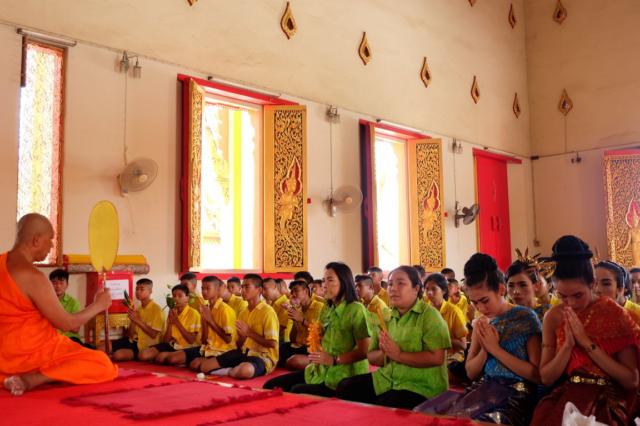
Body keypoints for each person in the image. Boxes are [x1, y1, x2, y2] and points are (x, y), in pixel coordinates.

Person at [417, 253, 542, 425]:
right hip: (484, 389)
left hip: (515, 395)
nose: (481, 308)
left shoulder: (525, 317)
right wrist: (484, 349)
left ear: (501, 290)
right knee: (424, 415)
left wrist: (495, 349)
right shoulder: (481, 323)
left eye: (485, 300)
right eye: (475, 303)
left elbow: (536, 375)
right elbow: (471, 372)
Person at [1, 213, 117, 396]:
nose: (51, 246)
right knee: (103, 363)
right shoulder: (34, 277)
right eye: (50, 240)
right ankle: (34, 378)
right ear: (36, 240)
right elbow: (67, 324)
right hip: (34, 354)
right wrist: (98, 305)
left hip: (4, 358)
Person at [531, 236, 640, 426]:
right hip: (569, 394)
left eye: (578, 295)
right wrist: (567, 346)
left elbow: (631, 380)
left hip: (607, 399)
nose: (571, 303)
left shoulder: (614, 314)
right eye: (562, 296)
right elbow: (546, 378)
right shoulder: (553, 317)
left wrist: (586, 343)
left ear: (593, 284)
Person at [336, 266, 451, 409]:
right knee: (344, 387)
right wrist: (385, 353)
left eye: (400, 283)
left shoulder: (430, 316)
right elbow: (371, 356)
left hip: (419, 386)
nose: (393, 289)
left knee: (385, 408)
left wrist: (399, 355)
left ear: (416, 289)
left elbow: (437, 358)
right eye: (390, 284)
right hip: (387, 378)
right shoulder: (386, 317)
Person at [264, 262, 371, 396]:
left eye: (330, 280)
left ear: (344, 282)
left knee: (297, 391)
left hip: (343, 375)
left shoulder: (356, 309)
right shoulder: (327, 308)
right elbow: (317, 335)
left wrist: (334, 359)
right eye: (324, 280)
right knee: (270, 386)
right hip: (320, 369)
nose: (324, 285)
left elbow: (364, 351)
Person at [200, 274, 279, 379]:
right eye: (242, 287)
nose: (243, 290)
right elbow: (239, 344)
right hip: (244, 353)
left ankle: (230, 371)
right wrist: (242, 338)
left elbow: (273, 344)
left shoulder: (268, 311)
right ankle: (232, 371)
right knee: (204, 367)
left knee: (245, 371)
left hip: (262, 356)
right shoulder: (243, 313)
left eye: (247, 287)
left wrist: (249, 333)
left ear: (259, 290)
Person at [169, 276, 237, 371]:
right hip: (208, 348)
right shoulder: (206, 308)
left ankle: (227, 368)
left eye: (208, 288)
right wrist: (205, 321)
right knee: (174, 359)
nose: (204, 291)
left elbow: (228, 339)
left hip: (224, 350)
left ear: (217, 290)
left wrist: (210, 320)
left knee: (199, 366)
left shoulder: (225, 310)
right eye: (202, 288)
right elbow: (204, 340)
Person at [137, 284, 201, 364]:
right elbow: (166, 340)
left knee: (166, 358)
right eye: (174, 296)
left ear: (187, 298)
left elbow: (191, 340)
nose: (176, 298)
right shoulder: (173, 312)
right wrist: (170, 323)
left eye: (180, 296)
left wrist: (177, 322)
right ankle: (170, 357)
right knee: (143, 355)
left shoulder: (193, 313)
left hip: (188, 347)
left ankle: (175, 358)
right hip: (173, 345)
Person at [111, 278, 164, 361]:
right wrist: (133, 321)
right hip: (133, 341)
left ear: (150, 291)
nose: (138, 292)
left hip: (145, 346)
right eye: (137, 289)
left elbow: (153, 334)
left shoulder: (157, 310)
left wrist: (137, 321)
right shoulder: (138, 309)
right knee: (104, 347)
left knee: (117, 355)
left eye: (142, 289)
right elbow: (130, 335)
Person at [278, 280, 324, 369]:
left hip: (312, 348)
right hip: (298, 347)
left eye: (296, 290)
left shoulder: (319, 307)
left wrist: (302, 320)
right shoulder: (298, 309)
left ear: (306, 291)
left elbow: (320, 332)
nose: (293, 294)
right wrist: (295, 321)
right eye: (292, 292)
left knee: (294, 361)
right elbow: (292, 339)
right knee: (275, 350)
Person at [424, 273, 468, 362]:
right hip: (429, 354)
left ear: (444, 291)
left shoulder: (454, 311)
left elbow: (463, 345)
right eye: (427, 289)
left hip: (450, 355)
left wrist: (440, 338)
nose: (429, 292)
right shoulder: (423, 310)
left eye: (434, 289)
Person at [49, 269, 87, 347]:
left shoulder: (74, 303)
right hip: (50, 338)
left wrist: (55, 318)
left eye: (61, 283)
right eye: (54, 283)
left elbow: (75, 329)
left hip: (70, 338)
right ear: (49, 284)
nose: (58, 286)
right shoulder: (44, 301)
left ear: (67, 285)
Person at [355, 274, 390, 342]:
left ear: (370, 287)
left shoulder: (379, 305)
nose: (356, 289)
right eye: (355, 286)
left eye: (360, 285)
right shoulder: (360, 303)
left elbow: (385, 331)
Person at [263, 278, 292, 343]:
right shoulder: (272, 304)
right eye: (262, 290)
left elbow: (282, 327)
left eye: (265, 289)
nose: (263, 293)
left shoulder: (285, 304)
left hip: (281, 342)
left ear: (275, 287)